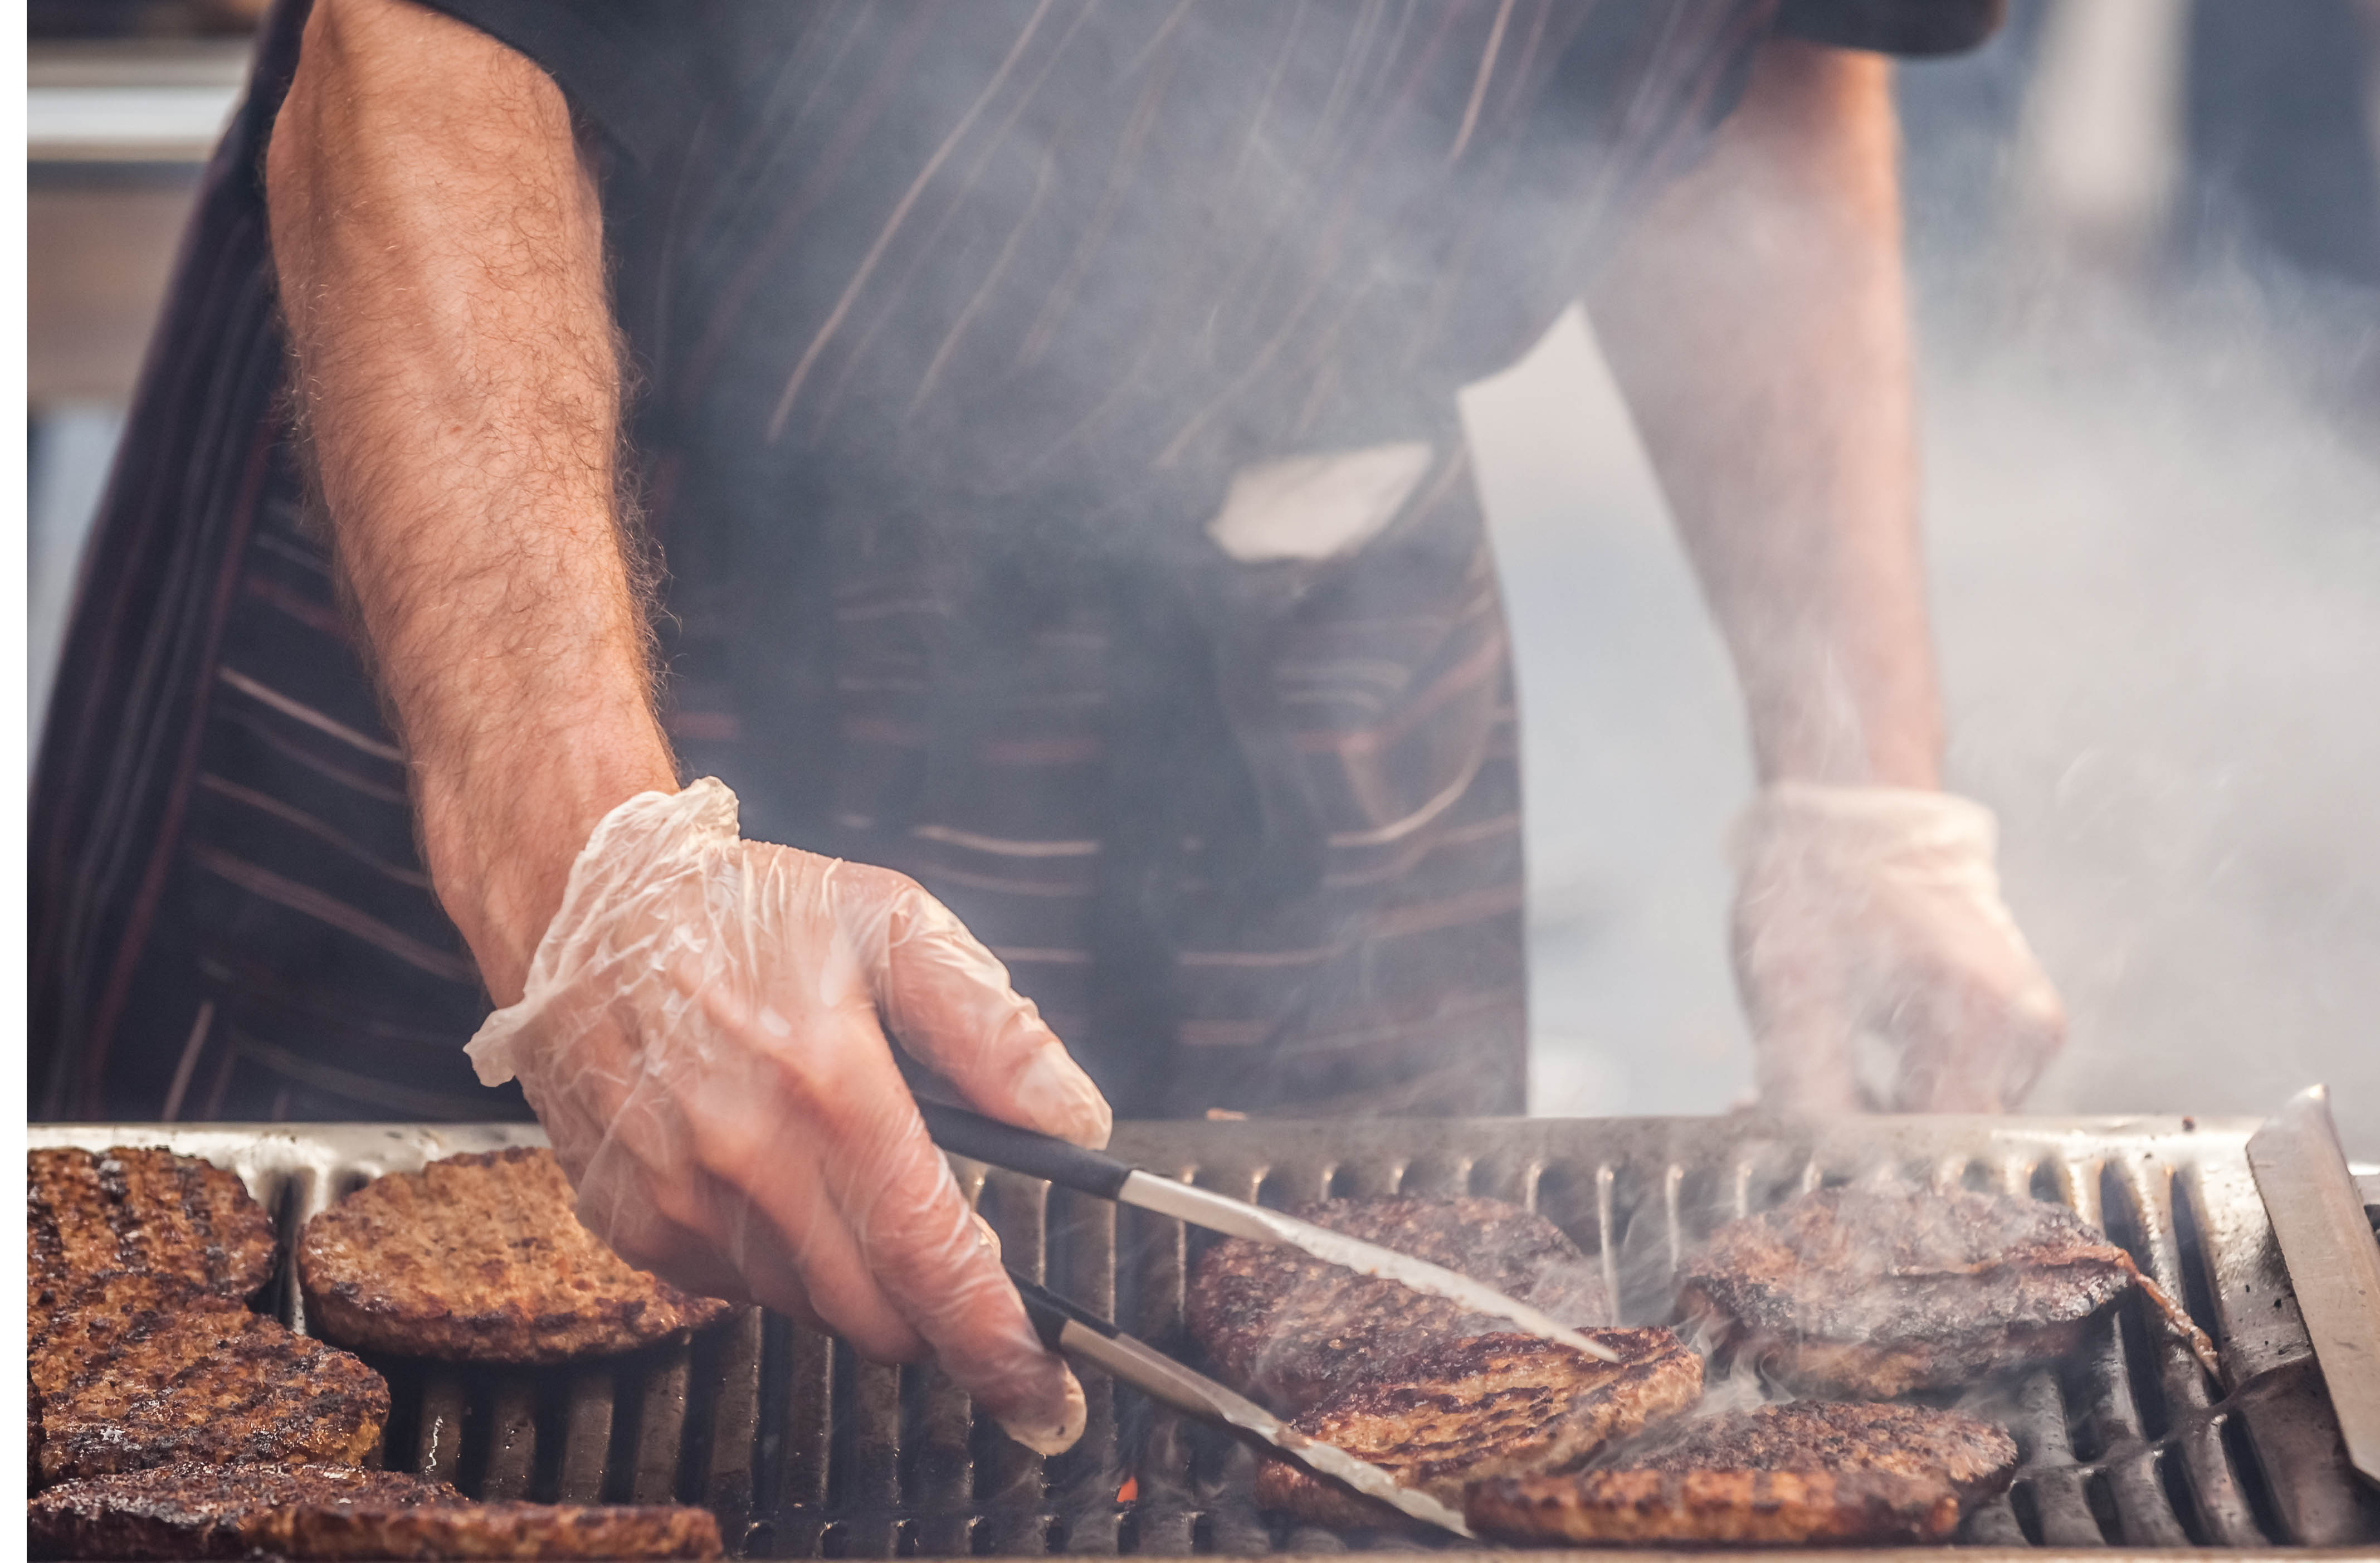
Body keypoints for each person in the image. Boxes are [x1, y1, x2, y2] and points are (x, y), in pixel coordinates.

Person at [31, 0, 2062, 1450]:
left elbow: (1773, 57)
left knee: (1354, 1431)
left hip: (1303, 671)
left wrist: (1861, 786)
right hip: (579, 579)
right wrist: (596, 882)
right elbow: (421, 46)